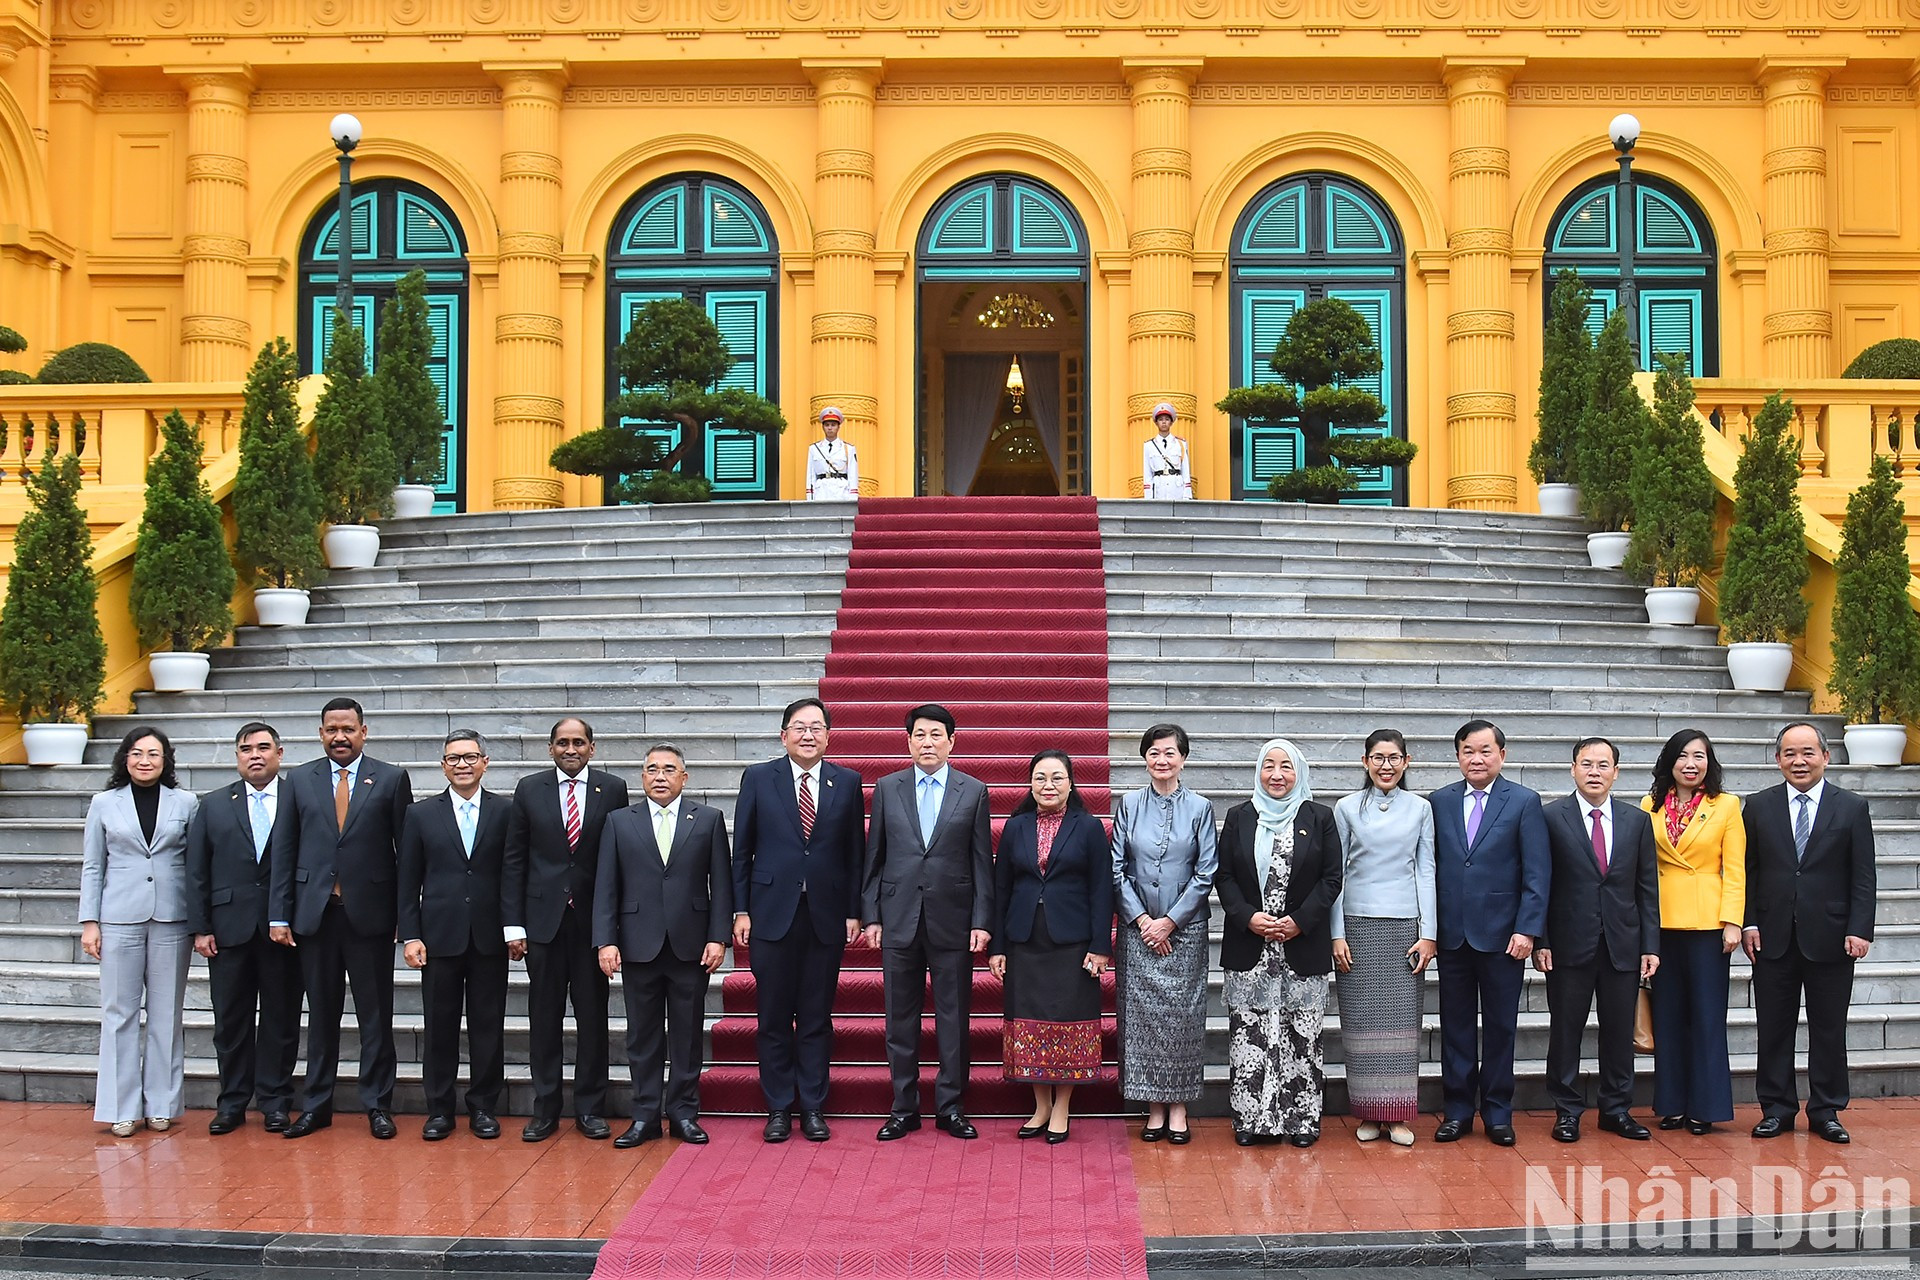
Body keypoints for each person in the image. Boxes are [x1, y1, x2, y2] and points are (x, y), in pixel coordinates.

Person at [269, 697, 415, 1140]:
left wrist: (405, 920)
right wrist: (280, 914)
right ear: (320, 734)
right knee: (322, 1016)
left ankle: (377, 1105)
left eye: (348, 729)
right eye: (331, 729)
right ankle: (316, 1105)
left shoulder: (391, 779)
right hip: (316, 916)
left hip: (369, 917)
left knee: (375, 1016)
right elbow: (284, 850)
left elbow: (405, 855)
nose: (340, 736)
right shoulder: (298, 780)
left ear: (363, 732)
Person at [731, 697, 866, 1143]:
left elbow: (853, 854)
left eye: (817, 728)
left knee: (814, 1016)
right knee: (772, 1016)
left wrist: (853, 911)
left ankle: (811, 1106)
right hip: (770, 915)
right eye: (799, 727)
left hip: (825, 917)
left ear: (829, 735)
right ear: (783, 734)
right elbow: (742, 851)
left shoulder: (846, 782)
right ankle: (777, 1108)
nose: (808, 735)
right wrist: (741, 908)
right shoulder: (758, 778)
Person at [862, 703, 994, 1141]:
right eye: (919, 734)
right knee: (900, 1018)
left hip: (953, 921)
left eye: (936, 734)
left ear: (952, 741)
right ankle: (903, 1108)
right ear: (908, 741)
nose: (927, 742)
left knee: (953, 1019)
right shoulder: (887, 787)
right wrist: (871, 914)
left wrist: (981, 919)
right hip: (898, 918)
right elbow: (874, 857)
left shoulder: (972, 791)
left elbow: (981, 863)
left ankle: (951, 1106)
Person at [594, 743, 732, 1148]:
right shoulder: (620, 821)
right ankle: (644, 1116)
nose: (660, 776)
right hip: (638, 945)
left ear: (683, 778)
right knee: (642, 1036)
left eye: (669, 769)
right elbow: (606, 886)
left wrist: (717, 936)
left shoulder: (707, 819)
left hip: (691, 946)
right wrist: (606, 940)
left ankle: (684, 1113)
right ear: (642, 777)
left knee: (688, 1035)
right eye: (652, 769)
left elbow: (720, 884)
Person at [1745, 722, 1876, 1145]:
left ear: (1825, 756)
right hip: (1773, 937)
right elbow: (1748, 872)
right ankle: (1777, 1109)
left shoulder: (1852, 807)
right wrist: (1748, 921)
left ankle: (1826, 1110)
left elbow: (1863, 876)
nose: (1798, 761)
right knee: (1774, 1027)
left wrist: (1860, 928)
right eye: (1789, 753)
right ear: (1777, 759)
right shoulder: (1758, 806)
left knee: (1828, 1029)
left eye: (1807, 753)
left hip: (1833, 938)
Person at [502, 717, 629, 1142]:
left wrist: (613, 928)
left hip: (592, 924)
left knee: (593, 1018)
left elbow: (618, 859)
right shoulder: (528, 789)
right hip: (542, 925)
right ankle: (546, 1109)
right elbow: (515, 860)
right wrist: (513, 926)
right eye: (562, 742)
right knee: (544, 1018)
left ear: (593, 747)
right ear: (550, 748)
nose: (570, 749)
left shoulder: (612, 790)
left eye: (578, 742)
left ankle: (590, 1109)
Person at [1216, 738, 1343, 1147]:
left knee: (1302, 1036)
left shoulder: (1319, 817)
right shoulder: (1240, 816)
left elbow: (1331, 879)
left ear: (1299, 773)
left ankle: (1301, 1121)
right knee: (1249, 1036)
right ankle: (1251, 1121)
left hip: (1300, 944)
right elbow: (1225, 876)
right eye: (1268, 765)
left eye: (1286, 767)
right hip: (1251, 943)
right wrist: (1247, 917)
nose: (1276, 774)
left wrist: (1300, 922)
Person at [1429, 719, 1549, 1146]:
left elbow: (1537, 873)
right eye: (1467, 751)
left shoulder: (1523, 802)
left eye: (1484, 751)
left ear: (1503, 753)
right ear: (1457, 755)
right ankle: (1458, 1110)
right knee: (1455, 1025)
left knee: (1501, 1026)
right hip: (1453, 935)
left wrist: (1528, 930)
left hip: (1504, 937)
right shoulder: (1439, 801)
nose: (1476, 759)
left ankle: (1498, 1112)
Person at [1537, 737, 1659, 1144]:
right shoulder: (1551, 817)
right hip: (1569, 944)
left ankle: (1616, 1109)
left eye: (1603, 765)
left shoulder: (1636, 821)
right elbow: (1542, 884)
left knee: (1619, 1032)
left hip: (1622, 944)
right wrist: (1542, 940)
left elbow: (1646, 889)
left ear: (1616, 773)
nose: (1594, 772)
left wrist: (1650, 946)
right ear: (1572, 768)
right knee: (1566, 1030)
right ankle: (1567, 1111)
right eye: (1586, 764)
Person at [987, 750, 1113, 1144]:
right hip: (1025, 940)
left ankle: (1063, 1107)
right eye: (1040, 778)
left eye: (1057, 778)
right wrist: (998, 945)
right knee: (1028, 1022)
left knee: (1067, 1022)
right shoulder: (1016, 826)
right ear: (1030, 783)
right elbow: (1001, 887)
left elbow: (1101, 889)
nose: (1048, 786)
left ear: (1071, 783)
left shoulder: (1089, 827)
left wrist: (1100, 946)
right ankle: (1041, 1105)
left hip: (1072, 943)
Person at [185, 722, 303, 1135]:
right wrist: (200, 928)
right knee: (230, 1021)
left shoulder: (298, 798)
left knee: (281, 1019)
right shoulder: (214, 804)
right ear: (237, 757)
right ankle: (232, 1102)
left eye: (263, 748)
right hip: (228, 930)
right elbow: (196, 869)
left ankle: (275, 1100)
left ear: (280, 753)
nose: (255, 755)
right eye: (246, 749)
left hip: (282, 931)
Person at [81, 727, 198, 1138]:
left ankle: (162, 1104)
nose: (144, 760)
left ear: (166, 759)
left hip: (172, 918)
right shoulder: (103, 803)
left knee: (167, 1013)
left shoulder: (186, 802)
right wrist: (90, 922)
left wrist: (200, 921)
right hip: (118, 918)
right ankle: (121, 1107)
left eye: (153, 753)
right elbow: (93, 865)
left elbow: (196, 862)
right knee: (119, 1013)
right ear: (124, 759)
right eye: (135, 753)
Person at [398, 731, 510, 1141]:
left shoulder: (506, 812)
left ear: (485, 762)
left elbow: (512, 875)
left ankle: (483, 1107)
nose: (462, 765)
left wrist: (514, 929)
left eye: (470, 757)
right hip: (439, 937)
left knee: (487, 1026)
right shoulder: (421, 814)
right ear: (443, 765)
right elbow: (407, 881)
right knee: (439, 1025)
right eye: (453, 759)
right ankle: (439, 1109)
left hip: (489, 937)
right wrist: (410, 935)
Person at [1111, 722, 1216, 1144]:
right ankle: (1152, 1107)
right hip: (1138, 931)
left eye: (1170, 752)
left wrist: (1170, 921)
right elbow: (1116, 868)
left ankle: (1179, 1108)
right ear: (1144, 758)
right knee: (1143, 1021)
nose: (1162, 760)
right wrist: (1142, 921)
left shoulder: (1201, 807)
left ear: (1183, 758)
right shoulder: (1129, 804)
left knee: (1183, 1019)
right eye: (1154, 752)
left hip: (1185, 931)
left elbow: (1206, 871)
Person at [1330, 729, 1435, 1147]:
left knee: (1402, 1025)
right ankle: (1369, 1113)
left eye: (1394, 758)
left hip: (1404, 925)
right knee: (1361, 1023)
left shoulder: (1421, 809)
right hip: (1357, 923)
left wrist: (1429, 933)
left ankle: (1398, 1115)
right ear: (1364, 761)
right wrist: (1336, 933)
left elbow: (1426, 870)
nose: (1386, 765)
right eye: (1378, 757)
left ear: (1406, 762)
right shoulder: (1346, 808)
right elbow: (1335, 872)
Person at [1640, 728, 1743, 1136]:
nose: (1691, 764)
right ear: (1670, 762)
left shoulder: (1726, 806)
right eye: (1683, 756)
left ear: (1709, 763)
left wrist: (1732, 920)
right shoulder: (1650, 805)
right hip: (1661, 922)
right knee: (1666, 1017)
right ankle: (1671, 1104)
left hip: (1707, 925)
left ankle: (1706, 1106)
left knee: (1705, 1017)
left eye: (1699, 756)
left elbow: (1734, 869)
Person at [1141, 403, 1193, 500]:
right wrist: (1148, 497)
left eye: (1167, 419)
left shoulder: (1180, 443)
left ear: (1171, 422)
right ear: (1156, 423)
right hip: (1159, 488)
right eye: (1160, 419)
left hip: (1177, 488)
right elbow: (1147, 474)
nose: (1164, 422)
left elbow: (1185, 471)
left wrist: (1187, 495)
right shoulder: (1149, 445)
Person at [806, 407, 859, 500]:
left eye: (833, 425)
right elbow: (810, 475)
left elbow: (852, 474)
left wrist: (853, 498)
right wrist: (810, 497)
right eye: (827, 425)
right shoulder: (814, 448)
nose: (830, 428)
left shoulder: (848, 449)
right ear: (823, 427)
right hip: (821, 492)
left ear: (838, 427)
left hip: (841, 492)